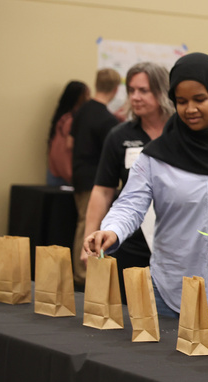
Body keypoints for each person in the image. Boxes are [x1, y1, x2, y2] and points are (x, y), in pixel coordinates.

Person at [83, 53, 208, 321]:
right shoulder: (156, 155)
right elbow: (130, 204)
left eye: (199, 99)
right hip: (172, 293)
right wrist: (111, 230)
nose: (190, 109)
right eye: (181, 102)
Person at [80, 62, 174, 300]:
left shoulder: (180, 134)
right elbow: (102, 191)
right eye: (131, 90)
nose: (135, 97)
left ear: (162, 91)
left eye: (143, 90)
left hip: (174, 243)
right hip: (131, 241)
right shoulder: (120, 136)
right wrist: (90, 236)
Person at [71, 68, 121, 284]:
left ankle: (82, 272)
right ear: (117, 89)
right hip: (95, 179)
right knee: (88, 225)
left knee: (83, 222)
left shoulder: (82, 110)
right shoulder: (107, 120)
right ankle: (83, 274)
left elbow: (69, 143)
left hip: (78, 173)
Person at [47, 81, 89, 187]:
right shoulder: (71, 121)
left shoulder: (61, 119)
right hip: (67, 175)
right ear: (80, 97)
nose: (89, 98)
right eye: (87, 95)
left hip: (54, 172)